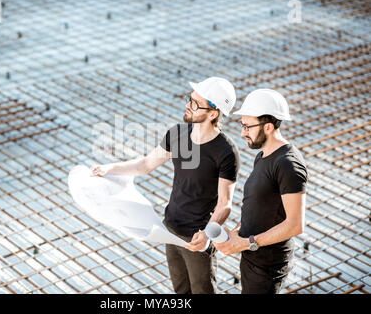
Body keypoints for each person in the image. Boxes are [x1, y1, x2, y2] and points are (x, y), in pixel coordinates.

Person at [91, 77, 240, 294]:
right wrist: (110, 168)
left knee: (202, 291)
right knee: (180, 290)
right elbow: (145, 165)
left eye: (196, 104)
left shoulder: (226, 151)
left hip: (197, 236)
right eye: (190, 99)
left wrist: (208, 233)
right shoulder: (177, 133)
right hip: (169, 228)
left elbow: (225, 204)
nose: (188, 105)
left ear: (213, 114)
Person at [214, 89, 308, 294]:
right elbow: (258, 204)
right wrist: (238, 232)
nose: (242, 132)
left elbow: (295, 225)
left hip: (268, 266)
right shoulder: (263, 155)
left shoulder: (288, 164)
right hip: (252, 255)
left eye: (247, 126)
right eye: (242, 125)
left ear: (268, 127)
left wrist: (247, 243)